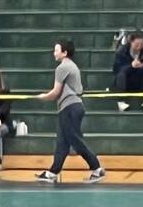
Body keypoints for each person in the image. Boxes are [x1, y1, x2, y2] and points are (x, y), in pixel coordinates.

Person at [34, 41, 104, 185]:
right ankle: (53, 172)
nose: (54, 53)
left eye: (56, 50)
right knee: (62, 142)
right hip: (71, 107)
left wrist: (42, 97)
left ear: (64, 53)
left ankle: (96, 168)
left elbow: (55, 92)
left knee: (75, 140)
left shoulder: (62, 67)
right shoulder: (73, 67)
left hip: (69, 107)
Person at [113, 34, 143, 109]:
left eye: (141, 44)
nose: (139, 47)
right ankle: (121, 102)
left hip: (140, 80)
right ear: (131, 42)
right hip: (128, 80)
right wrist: (131, 66)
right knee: (121, 75)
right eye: (136, 44)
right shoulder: (122, 52)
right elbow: (116, 68)